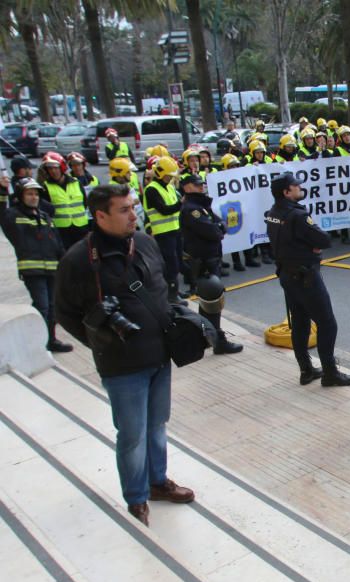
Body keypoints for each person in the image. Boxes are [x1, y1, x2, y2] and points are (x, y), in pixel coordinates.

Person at [54, 184, 196, 527]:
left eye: (133, 207)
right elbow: (65, 313)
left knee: (157, 425)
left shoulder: (145, 242)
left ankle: (158, 482)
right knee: (132, 434)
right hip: (122, 367)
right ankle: (136, 498)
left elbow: (162, 286)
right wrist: (99, 341)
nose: (134, 215)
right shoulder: (78, 259)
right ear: (100, 215)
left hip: (161, 354)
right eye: (124, 210)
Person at [264, 172, 350, 388]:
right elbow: (323, 239)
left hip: (287, 274)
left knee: (299, 323)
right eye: (296, 186)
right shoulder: (296, 215)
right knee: (327, 323)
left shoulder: (272, 213)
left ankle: (305, 369)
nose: (299, 188)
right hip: (305, 276)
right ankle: (330, 372)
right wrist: (311, 247)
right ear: (287, 192)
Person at [1, 177, 72, 352]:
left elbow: (57, 242)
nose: (34, 197)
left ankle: (50, 340)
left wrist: (66, 263)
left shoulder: (44, 216)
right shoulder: (13, 216)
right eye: (29, 194)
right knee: (42, 306)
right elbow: (1, 213)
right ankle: (37, 342)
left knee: (53, 307)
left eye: (35, 194)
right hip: (33, 270)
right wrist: (2, 191)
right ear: (20, 196)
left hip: (52, 268)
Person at [177, 173, 242, 355]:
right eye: (197, 185)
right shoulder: (192, 209)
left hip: (210, 258)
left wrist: (219, 227)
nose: (201, 187)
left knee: (209, 302)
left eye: (201, 184)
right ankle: (218, 340)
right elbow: (213, 231)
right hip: (204, 261)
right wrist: (218, 228)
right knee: (212, 302)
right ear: (187, 187)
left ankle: (207, 337)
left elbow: (221, 224)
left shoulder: (200, 206)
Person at [142, 155, 188, 304]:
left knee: (177, 262)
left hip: (175, 230)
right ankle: (171, 296)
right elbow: (164, 210)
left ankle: (174, 291)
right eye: (169, 176)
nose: (171, 178)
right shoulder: (151, 190)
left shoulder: (169, 187)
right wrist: (181, 204)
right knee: (170, 265)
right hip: (162, 233)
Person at [38, 151, 89, 250]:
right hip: (61, 230)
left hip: (81, 227)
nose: (53, 171)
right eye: (49, 168)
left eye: (55, 168)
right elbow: (45, 210)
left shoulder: (76, 183)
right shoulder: (46, 187)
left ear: (61, 167)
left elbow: (84, 203)